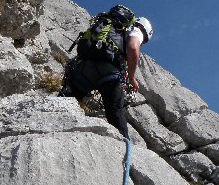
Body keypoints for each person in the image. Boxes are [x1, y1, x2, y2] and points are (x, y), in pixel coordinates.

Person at [60, 7, 153, 137]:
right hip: (108, 72)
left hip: (84, 66)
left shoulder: (107, 24)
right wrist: (132, 77)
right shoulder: (136, 30)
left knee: (64, 103)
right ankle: (123, 145)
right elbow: (132, 47)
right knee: (115, 114)